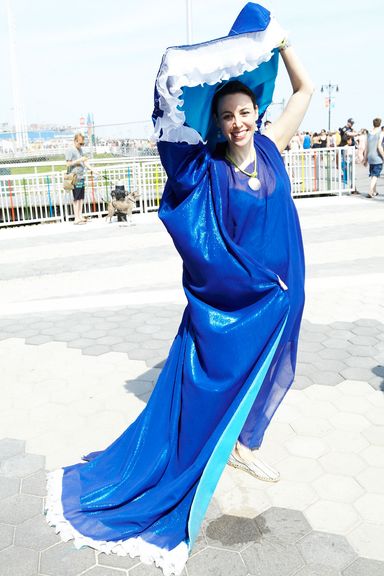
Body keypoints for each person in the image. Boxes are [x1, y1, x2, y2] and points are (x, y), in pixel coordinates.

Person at [46, 4, 313, 575]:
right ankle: (210, 453)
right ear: (217, 123)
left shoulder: (272, 148)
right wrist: (172, 86)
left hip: (282, 295)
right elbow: (173, 147)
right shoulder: (207, 170)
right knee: (212, 386)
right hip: (238, 304)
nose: (238, 121)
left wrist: (282, 40)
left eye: (244, 111)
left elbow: (305, 89)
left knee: (271, 371)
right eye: (228, 115)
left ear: (254, 111)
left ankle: (246, 446)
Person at [65, 133, 95, 225]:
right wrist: (79, 160)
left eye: (82, 143)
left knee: (81, 197)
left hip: (81, 176)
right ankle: (76, 218)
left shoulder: (80, 150)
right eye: (80, 143)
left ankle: (80, 216)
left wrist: (93, 170)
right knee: (76, 197)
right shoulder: (70, 150)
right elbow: (68, 164)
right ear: (75, 141)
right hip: (75, 176)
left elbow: (85, 162)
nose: (81, 145)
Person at [364, 117, 384, 197]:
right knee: (376, 175)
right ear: (380, 124)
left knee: (373, 174)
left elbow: (367, 147)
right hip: (377, 157)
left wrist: (365, 159)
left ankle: (375, 191)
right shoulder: (381, 133)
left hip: (370, 156)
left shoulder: (369, 133)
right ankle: (370, 191)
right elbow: (379, 146)